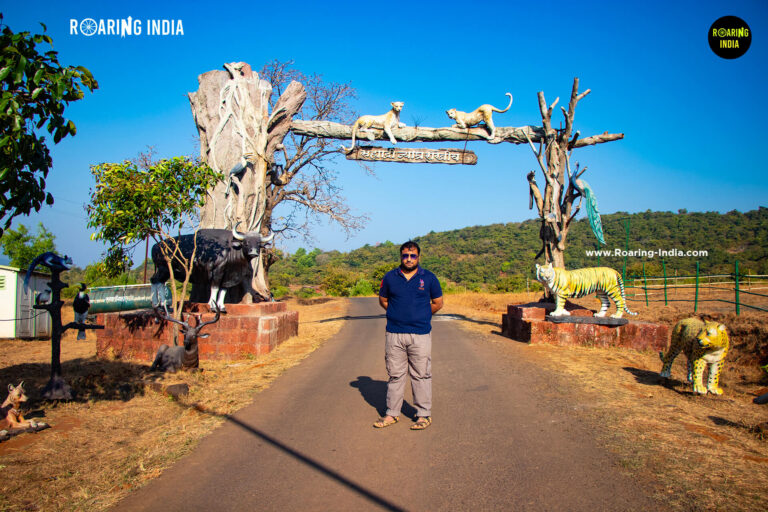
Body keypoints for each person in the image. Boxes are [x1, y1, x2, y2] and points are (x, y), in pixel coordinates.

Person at [374, 241, 443, 430]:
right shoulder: (390, 277)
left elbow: (437, 302)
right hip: (394, 334)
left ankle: (423, 415)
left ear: (418, 257)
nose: (409, 259)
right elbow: (383, 300)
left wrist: (422, 315)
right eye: (405, 255)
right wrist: (398, 313)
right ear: (401, 256)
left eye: (413, 256)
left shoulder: (428, 278)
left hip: (420, 334)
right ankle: (392, 414)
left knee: (421, 374)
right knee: (395, 375)